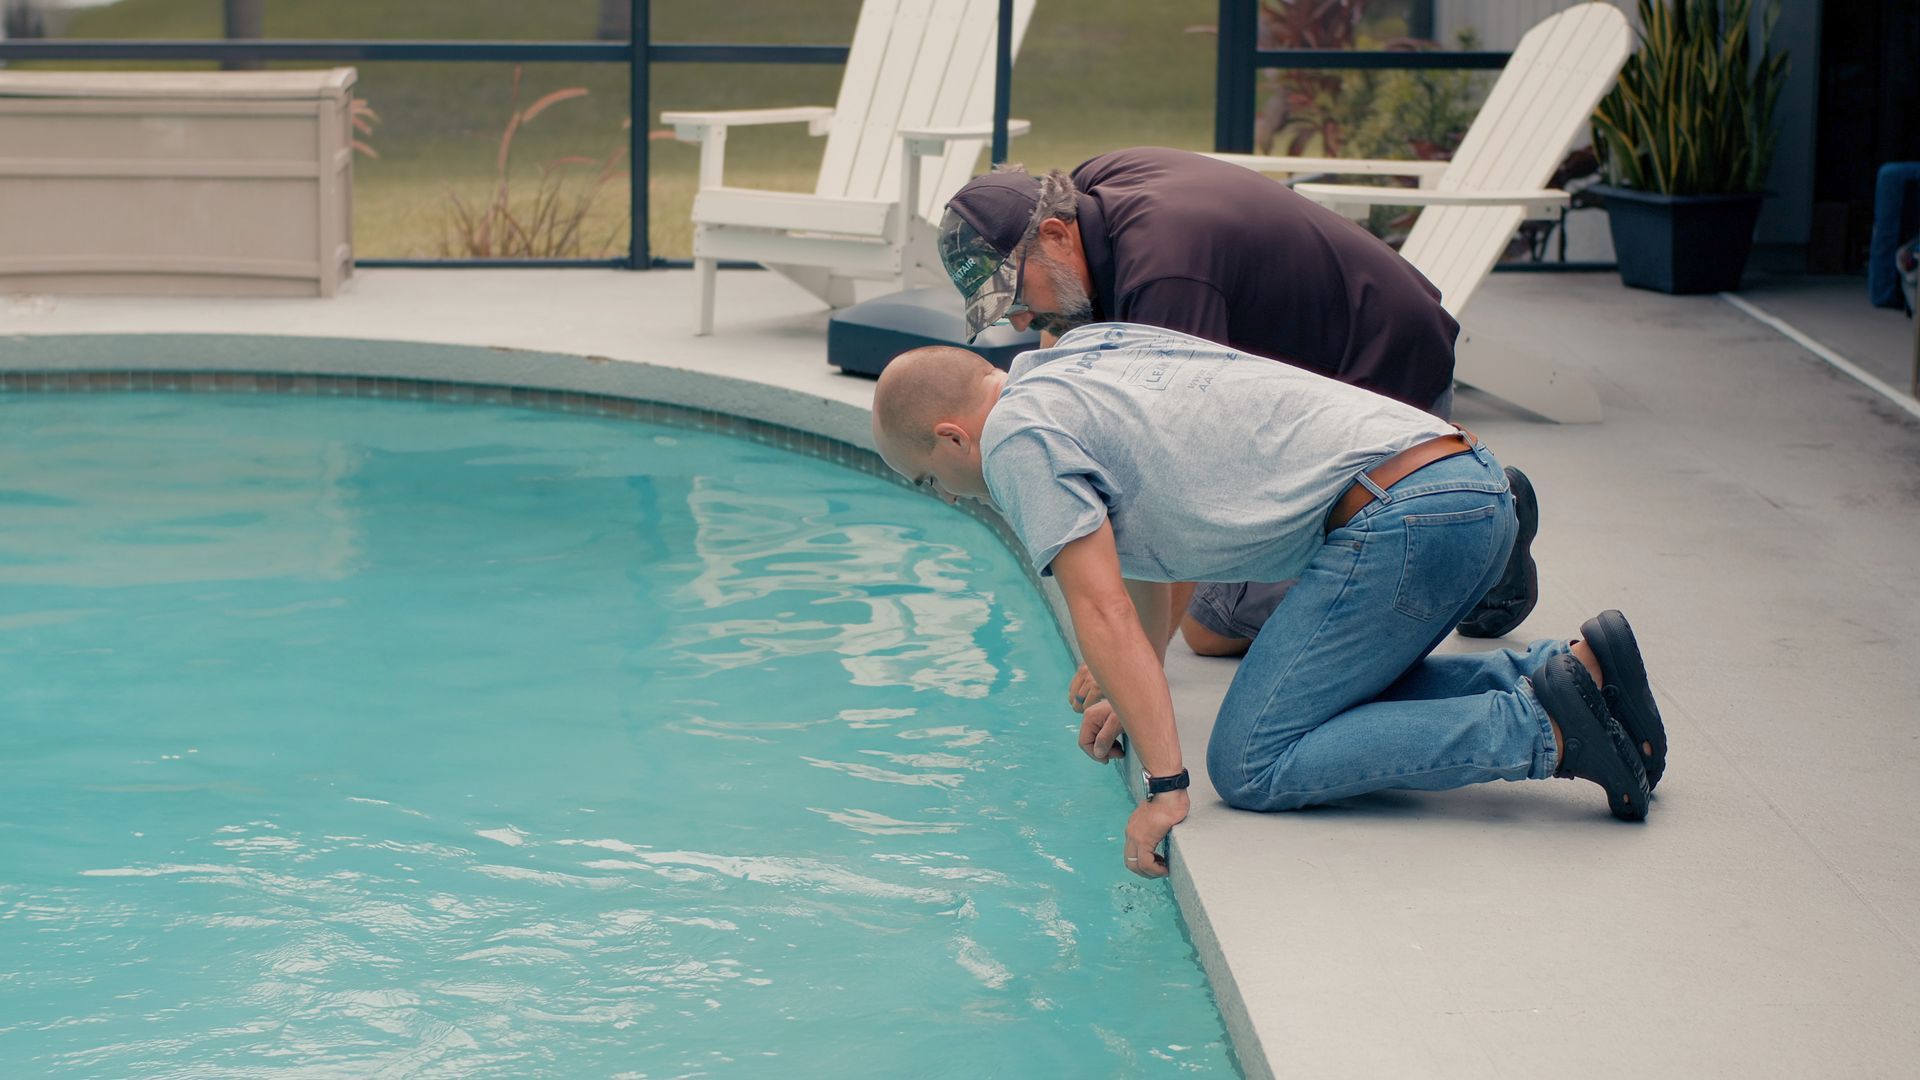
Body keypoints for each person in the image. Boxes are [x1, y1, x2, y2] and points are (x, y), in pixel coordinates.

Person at [870, 324, 1666, 878]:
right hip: (1460, 483)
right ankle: (1568, 675)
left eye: (931, 482)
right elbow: (1141, 562)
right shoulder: (1072, 359)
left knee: (1251, 762)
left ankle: (1544, 728)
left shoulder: (1013, 439)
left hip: (1406, 520)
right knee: (1303, 705)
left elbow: (1102, 608)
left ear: (951, 437)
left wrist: (1163, 790)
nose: (950, 495)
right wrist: (1128, 679)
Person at [935, 147, 1541, 656]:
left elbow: (1182, 477)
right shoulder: (1090, 192)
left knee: (1209, 628)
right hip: (1345, 338)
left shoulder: (1168, 283)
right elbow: (1068, 341)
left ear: (1054, 234)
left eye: (1013, 294)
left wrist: (1133, 656)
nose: (1016, 317)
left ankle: (1474, 534)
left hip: (1384, 372)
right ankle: (1462, 508)